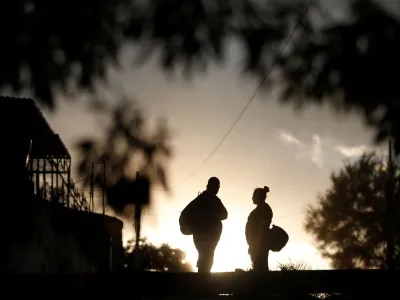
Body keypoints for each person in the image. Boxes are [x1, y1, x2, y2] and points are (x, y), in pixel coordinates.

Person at [180, 177, 228, 273]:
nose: (216, 189)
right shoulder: (201, 200)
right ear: (208, 186)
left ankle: (204, 276)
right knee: (206, 255)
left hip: (209, 234)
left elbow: (224, 215)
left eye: (217, 187)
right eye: (214, 186)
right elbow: (185, 214)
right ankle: (203, 277)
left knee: (207, 255)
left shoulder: (213, 200)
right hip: (202, 234)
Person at [245, 186, 273, 272]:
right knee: (257, 267)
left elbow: (263, 228)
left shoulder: (264, 209)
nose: (252, 198)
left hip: (259, 244)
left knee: (260, 268)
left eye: (254, 195)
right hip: (254, 243)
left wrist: (257, 245)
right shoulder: (258, 210)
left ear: (259, 197)